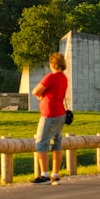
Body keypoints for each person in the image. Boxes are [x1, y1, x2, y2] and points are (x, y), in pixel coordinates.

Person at [31, 51, 68, 185]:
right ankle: (55, 174)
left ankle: (44, 175)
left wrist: (41, 96)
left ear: (52, 63)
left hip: (50, 114)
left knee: (41, 143)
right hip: (61, 114)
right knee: (57, 143)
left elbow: (35, 91)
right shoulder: (64, 78)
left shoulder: (51, 77)